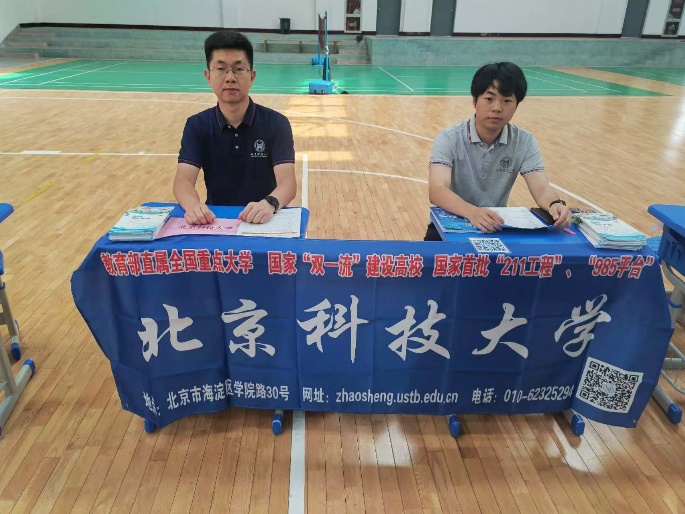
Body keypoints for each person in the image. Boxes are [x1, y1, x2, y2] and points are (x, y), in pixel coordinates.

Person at [425, 62, 572, 240]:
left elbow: (541, 189)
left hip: (494, 225)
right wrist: (472, 212)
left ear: (516, 105)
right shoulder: (449, 138)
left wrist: (555, 204)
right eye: (489, 99)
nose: (497, 107)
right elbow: (437, 190)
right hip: (449, 224)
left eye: (507, 100)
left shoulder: (524, 141)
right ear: (474, 101)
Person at [174, 30, 297, 225]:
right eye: (221, 69)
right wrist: (193, 206)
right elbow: (183, 180)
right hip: (216, 221)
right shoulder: (197, 125)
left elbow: (287, 183)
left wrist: (270, 203)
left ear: (252, 76)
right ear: (208, 76)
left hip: (265, 219)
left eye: (239, 69)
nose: (230, 77)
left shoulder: (276, 123)